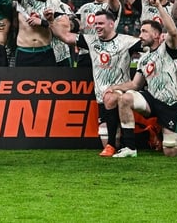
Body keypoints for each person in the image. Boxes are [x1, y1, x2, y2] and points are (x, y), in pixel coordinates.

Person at [59, 10, 141, 157]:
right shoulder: (91, 40)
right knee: (106, 136)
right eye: (95, 23)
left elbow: (148, 46)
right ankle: (115, 144)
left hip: (120, 94)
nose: (97, 26)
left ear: (112, 24)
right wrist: (49, 22)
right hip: (100, 96)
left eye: (101, 23)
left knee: (112, 103)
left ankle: (117, 145)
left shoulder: (127, 41)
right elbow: (65, 36)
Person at [112, 0, 177, 158]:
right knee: (125, 99)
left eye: (144, 31)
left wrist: (159, 6)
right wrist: (115, 88)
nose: (140, 35)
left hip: (172, 102)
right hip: (152, 99)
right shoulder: (143, 58)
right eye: (140, 31)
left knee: (170, 151)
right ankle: (130, 148)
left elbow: (172, 31)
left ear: (157, 34)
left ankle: (171, 136)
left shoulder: (168, 48)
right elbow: (135, 84)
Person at [0, 0, 65, 67]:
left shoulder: (54, 1)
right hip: (24, 52)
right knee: (22, 82)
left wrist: (43, 22)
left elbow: (62, 29)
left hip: (45, 51)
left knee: (47, 82)